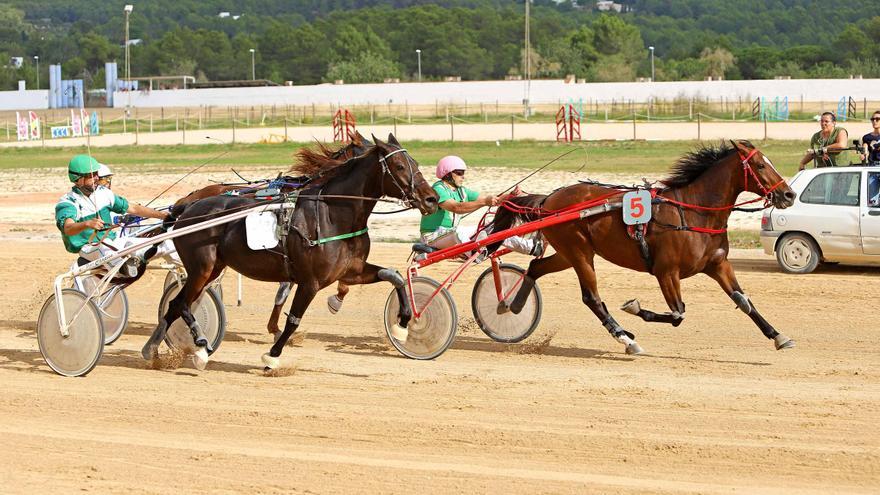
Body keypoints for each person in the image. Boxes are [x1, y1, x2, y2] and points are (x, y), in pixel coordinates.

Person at [55, 154, 170, 278]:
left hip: (112, 241)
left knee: (158, 243)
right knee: (104, 249)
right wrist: (87, 224)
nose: (97, 177)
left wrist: (163, 216)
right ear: (78, 179)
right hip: (89, 248)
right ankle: (123, 266)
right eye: (91, 175)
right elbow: (68, 228)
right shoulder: (68, 202)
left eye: (96, 173)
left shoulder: (104, 194)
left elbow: (134, 208)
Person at [419, 155, 541, 257]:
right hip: (432, 237)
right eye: (459, 173)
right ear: (448, 174)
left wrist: (510, 195)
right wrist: (484, 202)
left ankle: (530, 247)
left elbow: (492, 199)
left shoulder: (461, 191)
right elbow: (457, 207)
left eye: (463, 173)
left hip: (449, 235)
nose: (463, 176)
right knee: (459, 233)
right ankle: (474, 253)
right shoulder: (438, 189)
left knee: (495, 227)